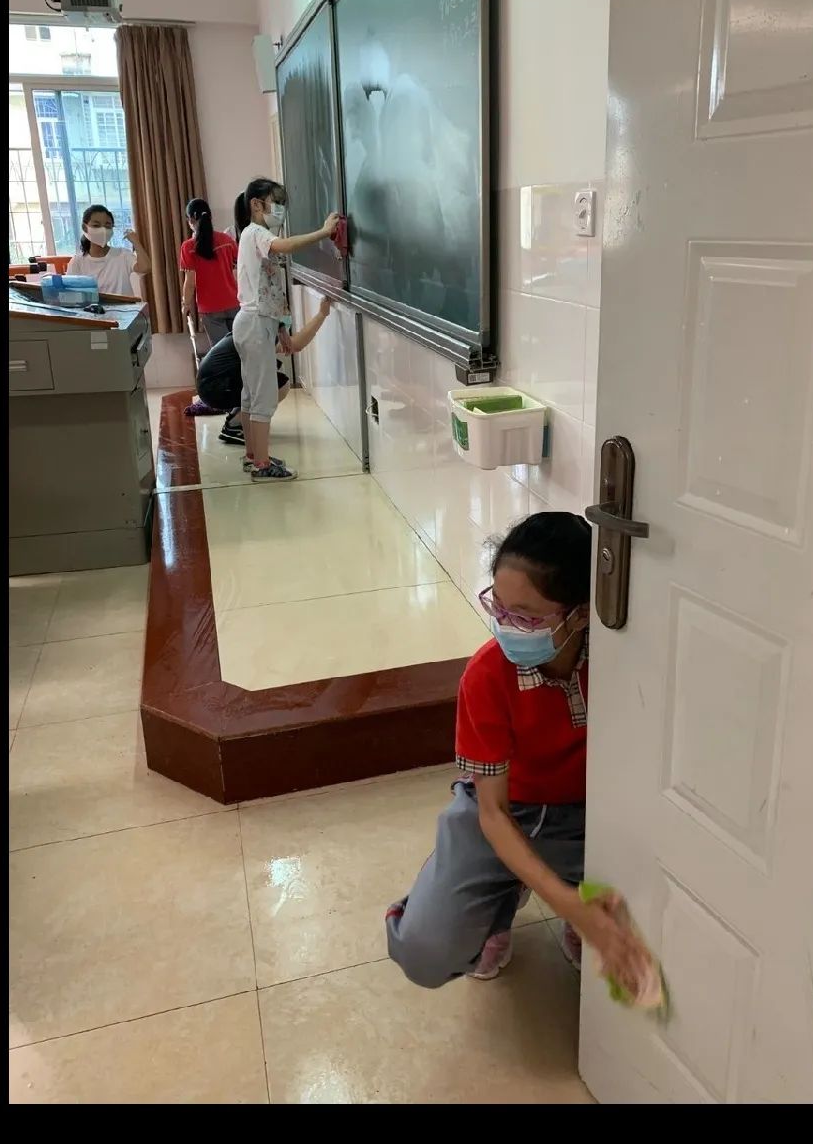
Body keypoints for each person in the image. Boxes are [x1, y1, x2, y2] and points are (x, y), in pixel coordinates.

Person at [385, 513, 651, 991]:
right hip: (502, 809)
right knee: (425, 952)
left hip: (587, 815)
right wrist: (568, 903)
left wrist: (581, 907)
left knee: (650, 914)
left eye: (526, 617)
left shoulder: (619, 663)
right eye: (499, 607)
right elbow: (493, 814)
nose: (506, 627)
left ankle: (548, 892)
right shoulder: (487, 675)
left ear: (581, 613)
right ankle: (495, 906)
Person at [232, 177, 338, 482]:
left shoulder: (253, 235)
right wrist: (323, 232)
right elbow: (286, 246)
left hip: (257, 322)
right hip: (255, 323)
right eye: (276, 202)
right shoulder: (256, 233)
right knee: (263, 398)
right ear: (256, 204)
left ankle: (253, 456)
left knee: (251, 396)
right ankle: (262, 465)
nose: (280, 209)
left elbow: (268, 286)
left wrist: (280, 325)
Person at [196, 300, 334, 451]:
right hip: (214, 387)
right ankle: (234, 425)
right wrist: (321, 314)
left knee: (273, 372)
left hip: (213, 384)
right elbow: (295, 345)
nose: (287, 315)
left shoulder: (252, 324)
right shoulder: (261, 330)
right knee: (278, 385)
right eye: (284, 311)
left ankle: (238, 419)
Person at [180, 197, 240, 346]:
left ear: (191, 220)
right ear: (210, 217)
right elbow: (239, 270)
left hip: (210, 308)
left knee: (222, 351)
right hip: (233, 302)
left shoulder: (188, 247)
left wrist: (185, 304)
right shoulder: (227, 240)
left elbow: (190, 282)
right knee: (240, 347)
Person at [67, 205, 150, 295]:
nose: (103, 230)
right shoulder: (77, 262)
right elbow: (71, 294)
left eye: (107, 226)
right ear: (84, 227)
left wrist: (135, 241)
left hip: (124, 304)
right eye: (96, 225)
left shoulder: (123, 254)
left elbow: (145, 268)